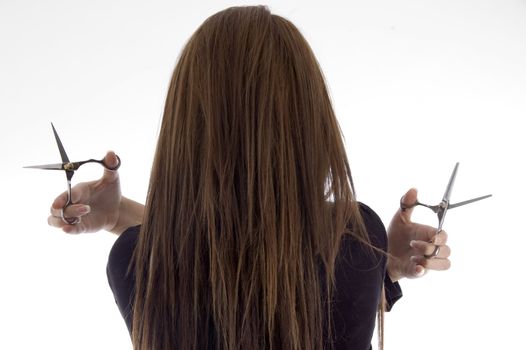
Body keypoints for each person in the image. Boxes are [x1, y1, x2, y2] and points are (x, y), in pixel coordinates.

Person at [47, 6, 451, 350]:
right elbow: (291, 269)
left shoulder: (134, 263)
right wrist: (384, 263)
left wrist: (120, 217)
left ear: (184, 131)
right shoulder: (354, 241)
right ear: (310, 125)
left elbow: (203, 256)